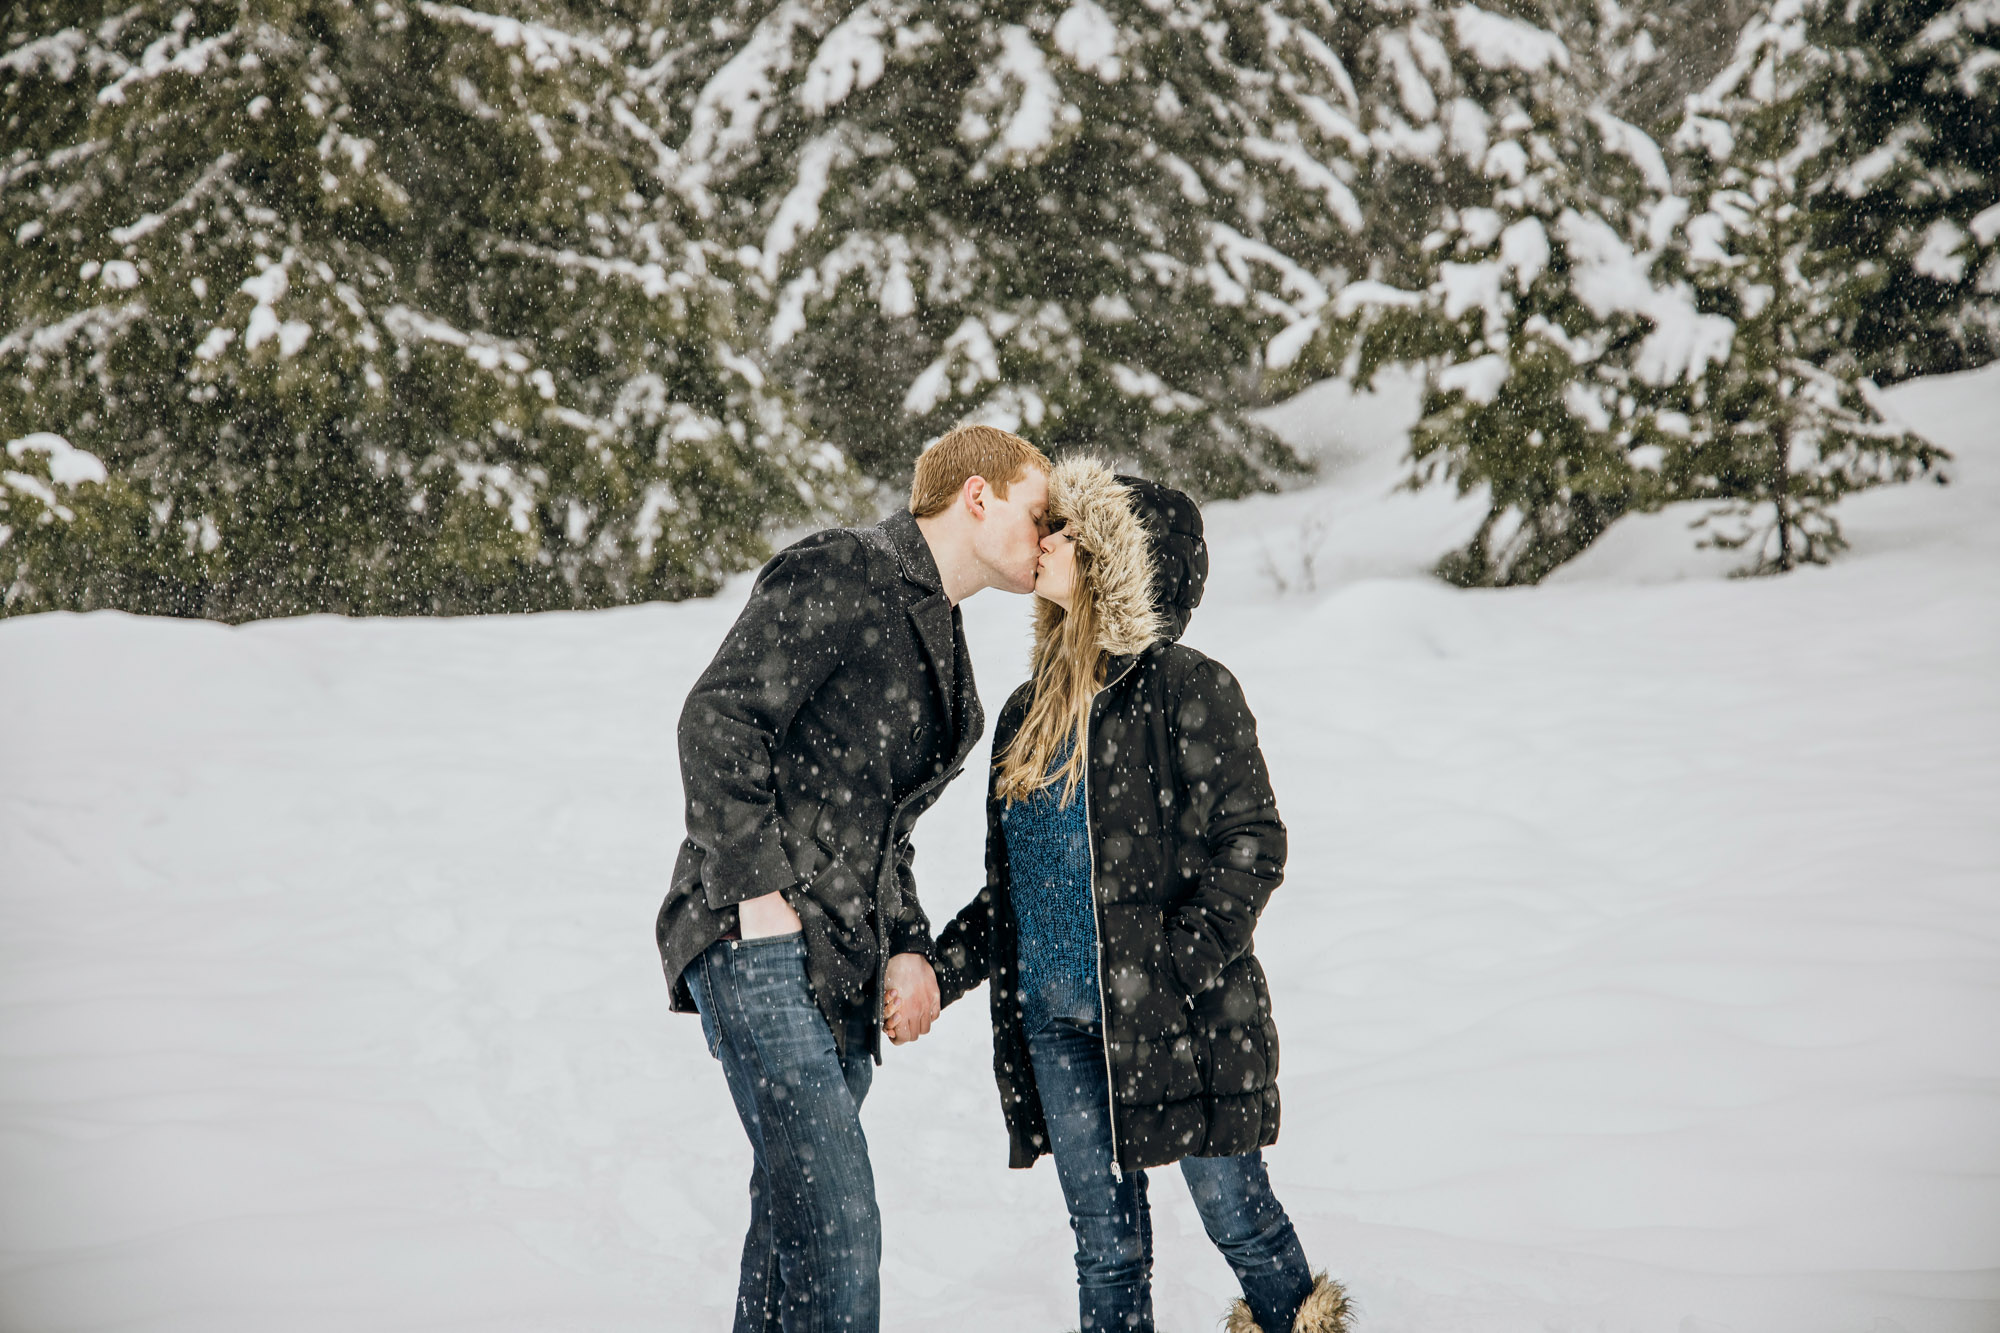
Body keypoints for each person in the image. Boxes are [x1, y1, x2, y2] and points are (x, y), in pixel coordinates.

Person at [923, 457, 1350, 1333]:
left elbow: (1252, 842)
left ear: (1120, 563)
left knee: (1241, 1220)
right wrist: (936, 967)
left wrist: (1173, 963)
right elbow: (1016, 892)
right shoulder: (1025, 711)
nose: (1044, 540)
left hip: (1178, 1014)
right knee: (1106, 1248)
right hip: (1056, 1023)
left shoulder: (1189, 687)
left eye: (1068, 530)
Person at [655, 423, 1052, 1333]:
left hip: (841, 965)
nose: (1048, 534)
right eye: (1038, 511)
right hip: (756, 939)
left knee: (791, 1232)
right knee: (840, 1224)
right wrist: (759, 900)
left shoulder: (950, 656)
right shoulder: (847, 568)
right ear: (977, 496)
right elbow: (717, 721)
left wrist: (910, 946)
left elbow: (885, 831)